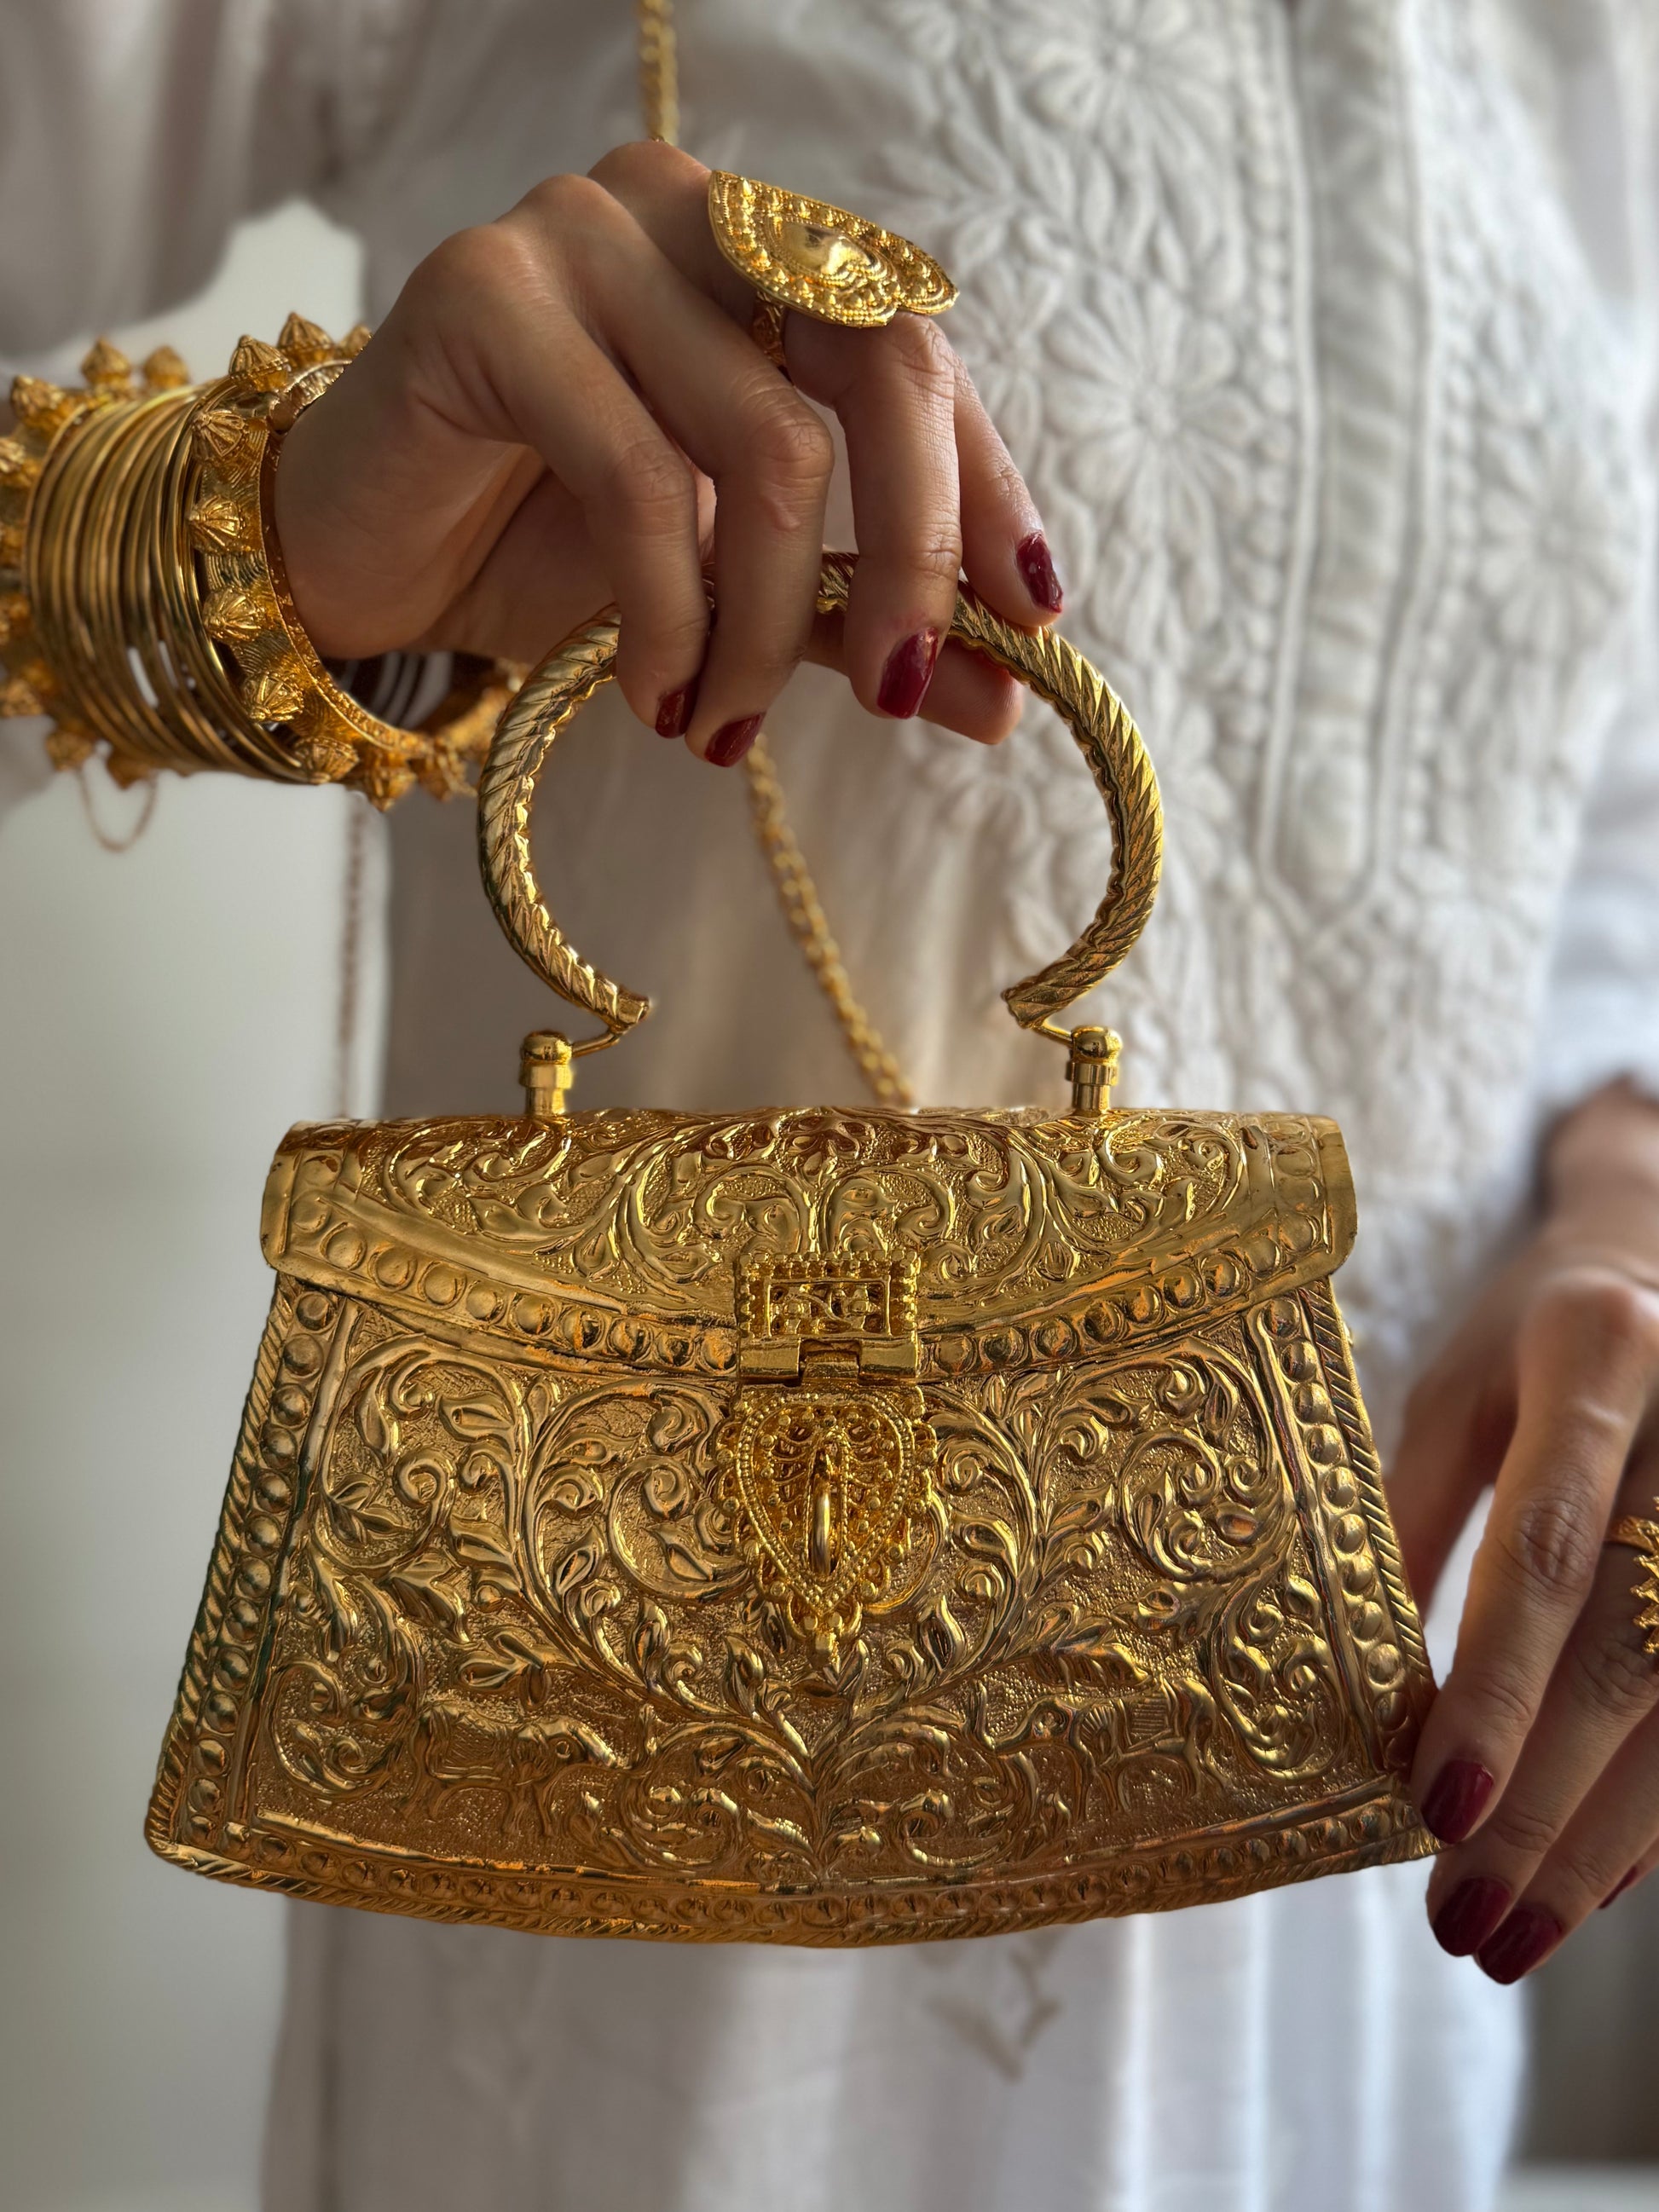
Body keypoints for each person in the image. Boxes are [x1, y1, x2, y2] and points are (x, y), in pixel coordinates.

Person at [6, 3, 1659, 2208]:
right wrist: (244, 543)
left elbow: (1599, 796)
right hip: (639, 1882)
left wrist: (1625, 1179)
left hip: (1345, 1816)